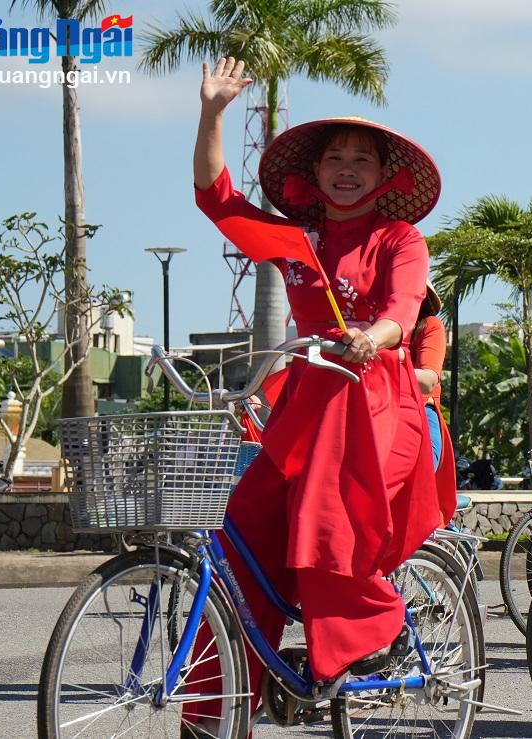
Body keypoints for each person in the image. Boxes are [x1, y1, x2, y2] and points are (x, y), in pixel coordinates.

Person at [189, 57, 455, 726]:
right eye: (333, 157)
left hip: (380, 410)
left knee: (320, 513)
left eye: (360, 159)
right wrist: (212, 111)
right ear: (313, 176)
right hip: (310, 409)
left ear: (384, 175)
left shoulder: (400, 237)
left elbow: (402, 306)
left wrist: (379, 334)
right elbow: (217, 199)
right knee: (242, 529)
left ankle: (378, 624)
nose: (345, 167)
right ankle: (216, 705)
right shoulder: (297, 238)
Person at [408, 281, 450, 471]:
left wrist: (388, 363)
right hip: (373, 406)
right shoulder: (369, 326)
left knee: (423, 468)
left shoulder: (430, 326)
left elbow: (428, 379)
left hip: (420, 410)